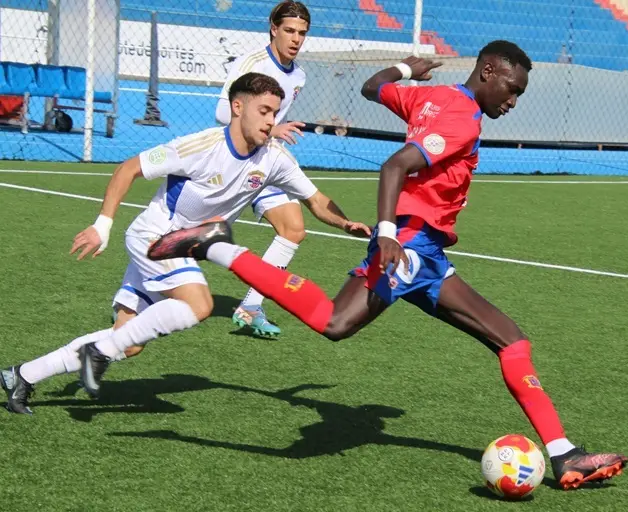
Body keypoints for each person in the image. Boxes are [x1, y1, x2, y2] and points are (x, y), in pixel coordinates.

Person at [146, 41, 628, 490]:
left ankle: (564, 454)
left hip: (430, 257)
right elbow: (394, 166)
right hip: (410, 247)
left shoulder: (433, 97)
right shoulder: (460, 118)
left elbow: (372, 87)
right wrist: (386, 234)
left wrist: (406, 71)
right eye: (512, 89)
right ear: (489, 72)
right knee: (334, 323)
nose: (514, 101)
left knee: (511, 339)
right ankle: (217, 246)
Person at [0, 72, 370, 414]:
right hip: (155, 238)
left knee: (127, 342)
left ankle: (22, 375)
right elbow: (129, 167)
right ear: (237, 108)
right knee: (199, 304)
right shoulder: (199, 146)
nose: (272, 120)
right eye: (264, 110)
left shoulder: (274, 159)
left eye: (275, 111)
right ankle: (98, 352)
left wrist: (346, 223)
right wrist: (102, 225)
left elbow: (317, 201)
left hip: (181, 246)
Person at [215, 1, 313, 337]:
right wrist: (272, 130)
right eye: (289, 30)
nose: (296, 38)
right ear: (273, 28)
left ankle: (251, 307)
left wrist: (272, 135)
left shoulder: (298, 75)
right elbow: (222, 113)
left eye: (301, 32)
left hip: (265, 161)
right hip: (235, 161)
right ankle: (136, 296)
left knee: (293, 229)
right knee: (200, 237)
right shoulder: (252, 64)